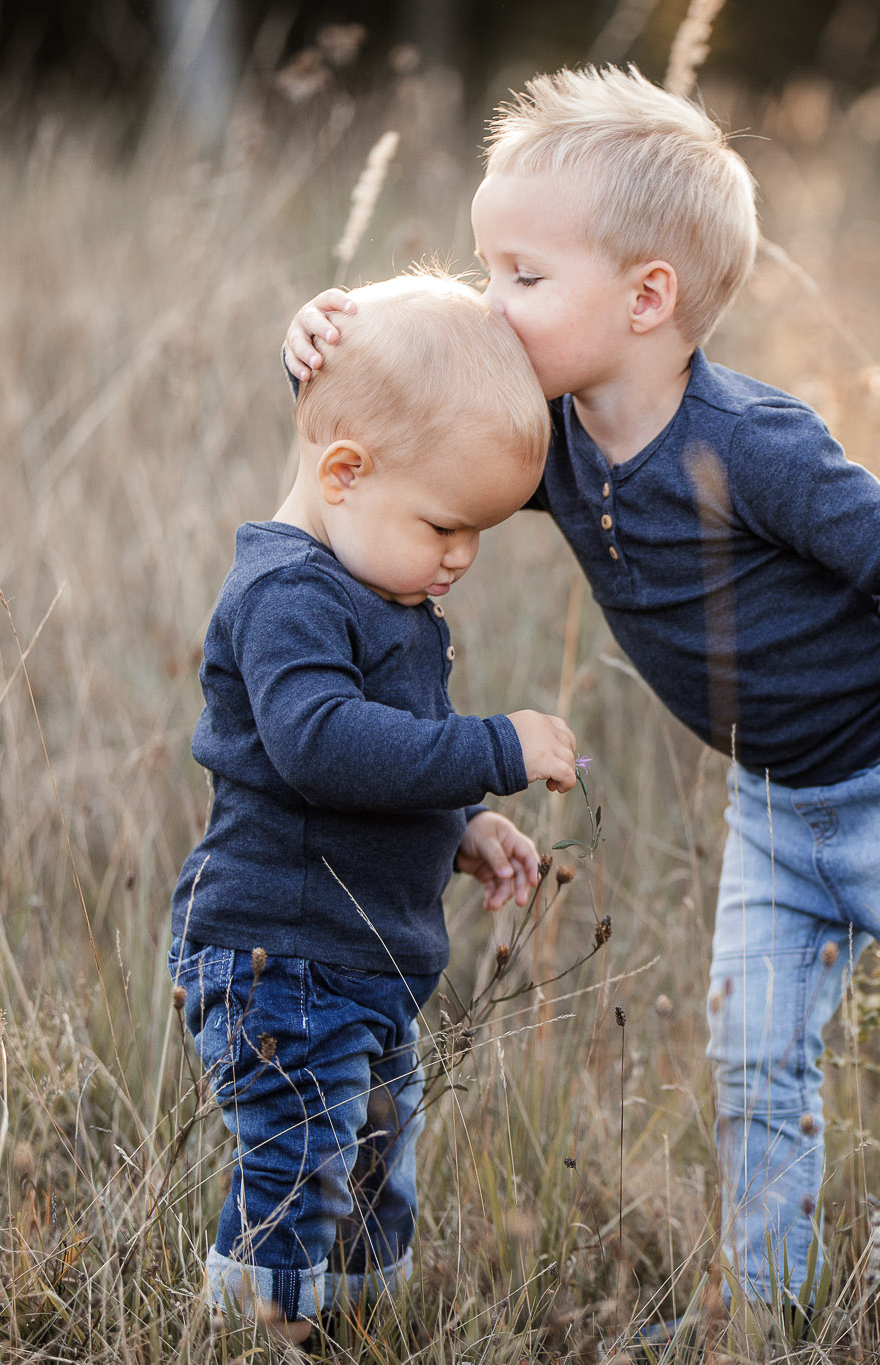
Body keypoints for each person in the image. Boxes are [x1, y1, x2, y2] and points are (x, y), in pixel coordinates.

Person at [284, 68, 880, 1344]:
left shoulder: (750, 445)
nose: (486, 302)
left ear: (647, 299)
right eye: (484, 267)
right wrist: (329, 343)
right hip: (777, 809)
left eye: (521, 276)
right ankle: (765, 1314)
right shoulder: (555, 442)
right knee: (755, 1065)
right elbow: (396, 450)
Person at [174, 270, 580, 1343]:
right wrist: (492, 748)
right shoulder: (289, 593)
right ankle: (257, 1332)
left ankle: (356, 1327)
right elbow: (320, 749)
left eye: (478, 535)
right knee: (300, 1164)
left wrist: (459, 830)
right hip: (279, 954)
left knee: (371, 1161)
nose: (461, 557)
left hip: (358, 957)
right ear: (344, 473)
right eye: (445, 526)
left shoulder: (384, 582)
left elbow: (385, 759)